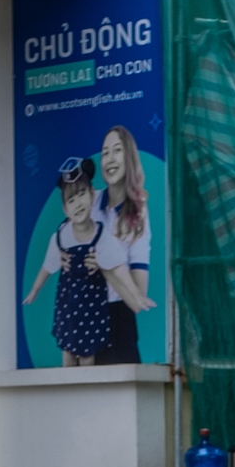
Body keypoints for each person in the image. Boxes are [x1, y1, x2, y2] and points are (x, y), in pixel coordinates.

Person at [21, 159, 110, 365]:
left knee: (88, 353)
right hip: (69, 303)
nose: (78, 203)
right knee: (68, 348)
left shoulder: (101, 229)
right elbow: (47, 265)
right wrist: (35, 289)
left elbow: (115, 262)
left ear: (91, 193)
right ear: (65, 208)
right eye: (71, 199)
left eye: (82, 194)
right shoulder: (61, 235)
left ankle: (86, 393)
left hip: (92, 302)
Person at [90, 125, 157, 364]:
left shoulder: (138, 215)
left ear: (128, 157)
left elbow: (138, 295)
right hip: (84, 314)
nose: (109, 158)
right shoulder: (89, 203)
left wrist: (106, 264)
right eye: (105, 152)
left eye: (117, 150)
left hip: (118, 321)